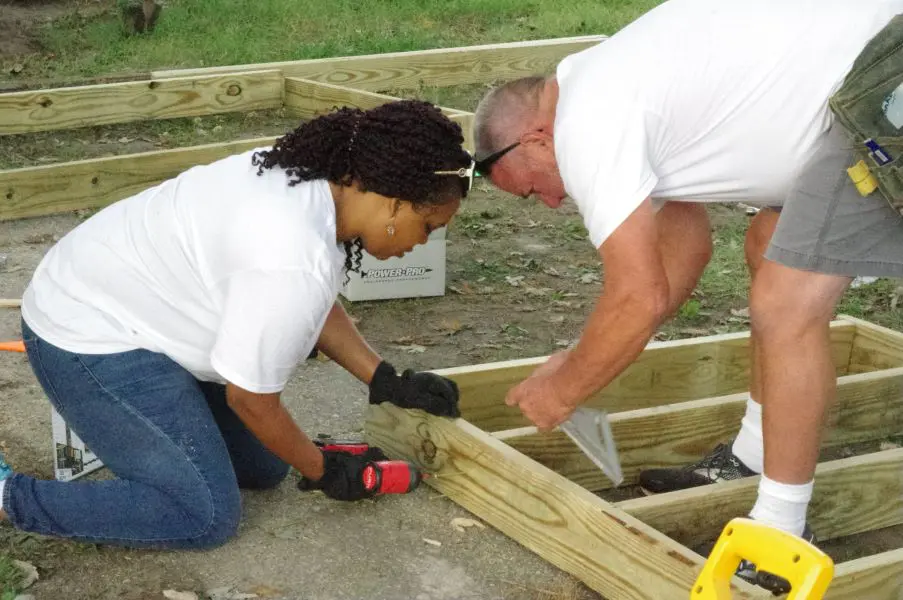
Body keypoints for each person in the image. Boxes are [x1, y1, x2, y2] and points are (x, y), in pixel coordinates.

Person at [471, 0, 903, 592]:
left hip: (881, 78)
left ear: (536, 139)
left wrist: (563, 390)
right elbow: (679, 260)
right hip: (852, 77)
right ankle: (752, 454)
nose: (549, 203)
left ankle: (779, 535)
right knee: (769, 243)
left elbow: (638, 299)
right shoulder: (610, 85)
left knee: (786, 302)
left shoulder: (590, 122)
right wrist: (576, 362)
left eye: (532, 191)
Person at [0, 99, 473, 550]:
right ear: (394, 202)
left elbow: (313, 299)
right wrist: (324, 471)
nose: (422, 242)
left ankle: (140, 425)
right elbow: (250, 400)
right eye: (428, 226)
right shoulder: (290, 253)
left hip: (134, 309)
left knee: (265, 468)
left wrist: (384, 379)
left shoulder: (316, 185)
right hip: (82, 333)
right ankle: (9, 496)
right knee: (202, 514)